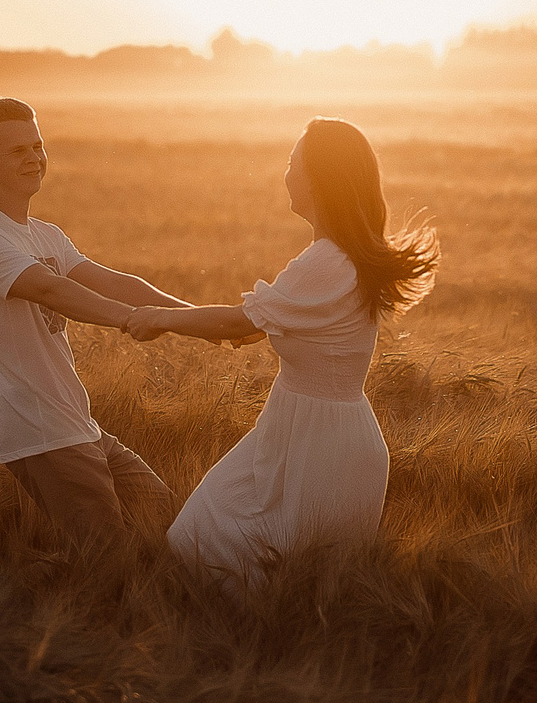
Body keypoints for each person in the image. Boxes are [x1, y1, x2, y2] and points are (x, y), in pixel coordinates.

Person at [127, 117, 437, 584]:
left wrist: (160, 318)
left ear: (319, 180)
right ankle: (249, 644)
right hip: (304, 433)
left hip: (323, 445)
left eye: (293, 162)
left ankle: (248, 648)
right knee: (225, 545)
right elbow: (249, 328)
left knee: (258, 564)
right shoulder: (337, 257)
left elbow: (239, 321)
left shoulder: (326, 262)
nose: (286, 173)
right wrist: (197, 320)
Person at [0, 96, 256, 557]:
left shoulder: (45, 234)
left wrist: (200, 322)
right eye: (17, 151)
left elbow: (117, 283)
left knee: (166, 519)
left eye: (37, 145)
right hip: (41, 431)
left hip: (79, 423)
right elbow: (54, 292)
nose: (34, 158)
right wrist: (132, 321)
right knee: (109, 561)